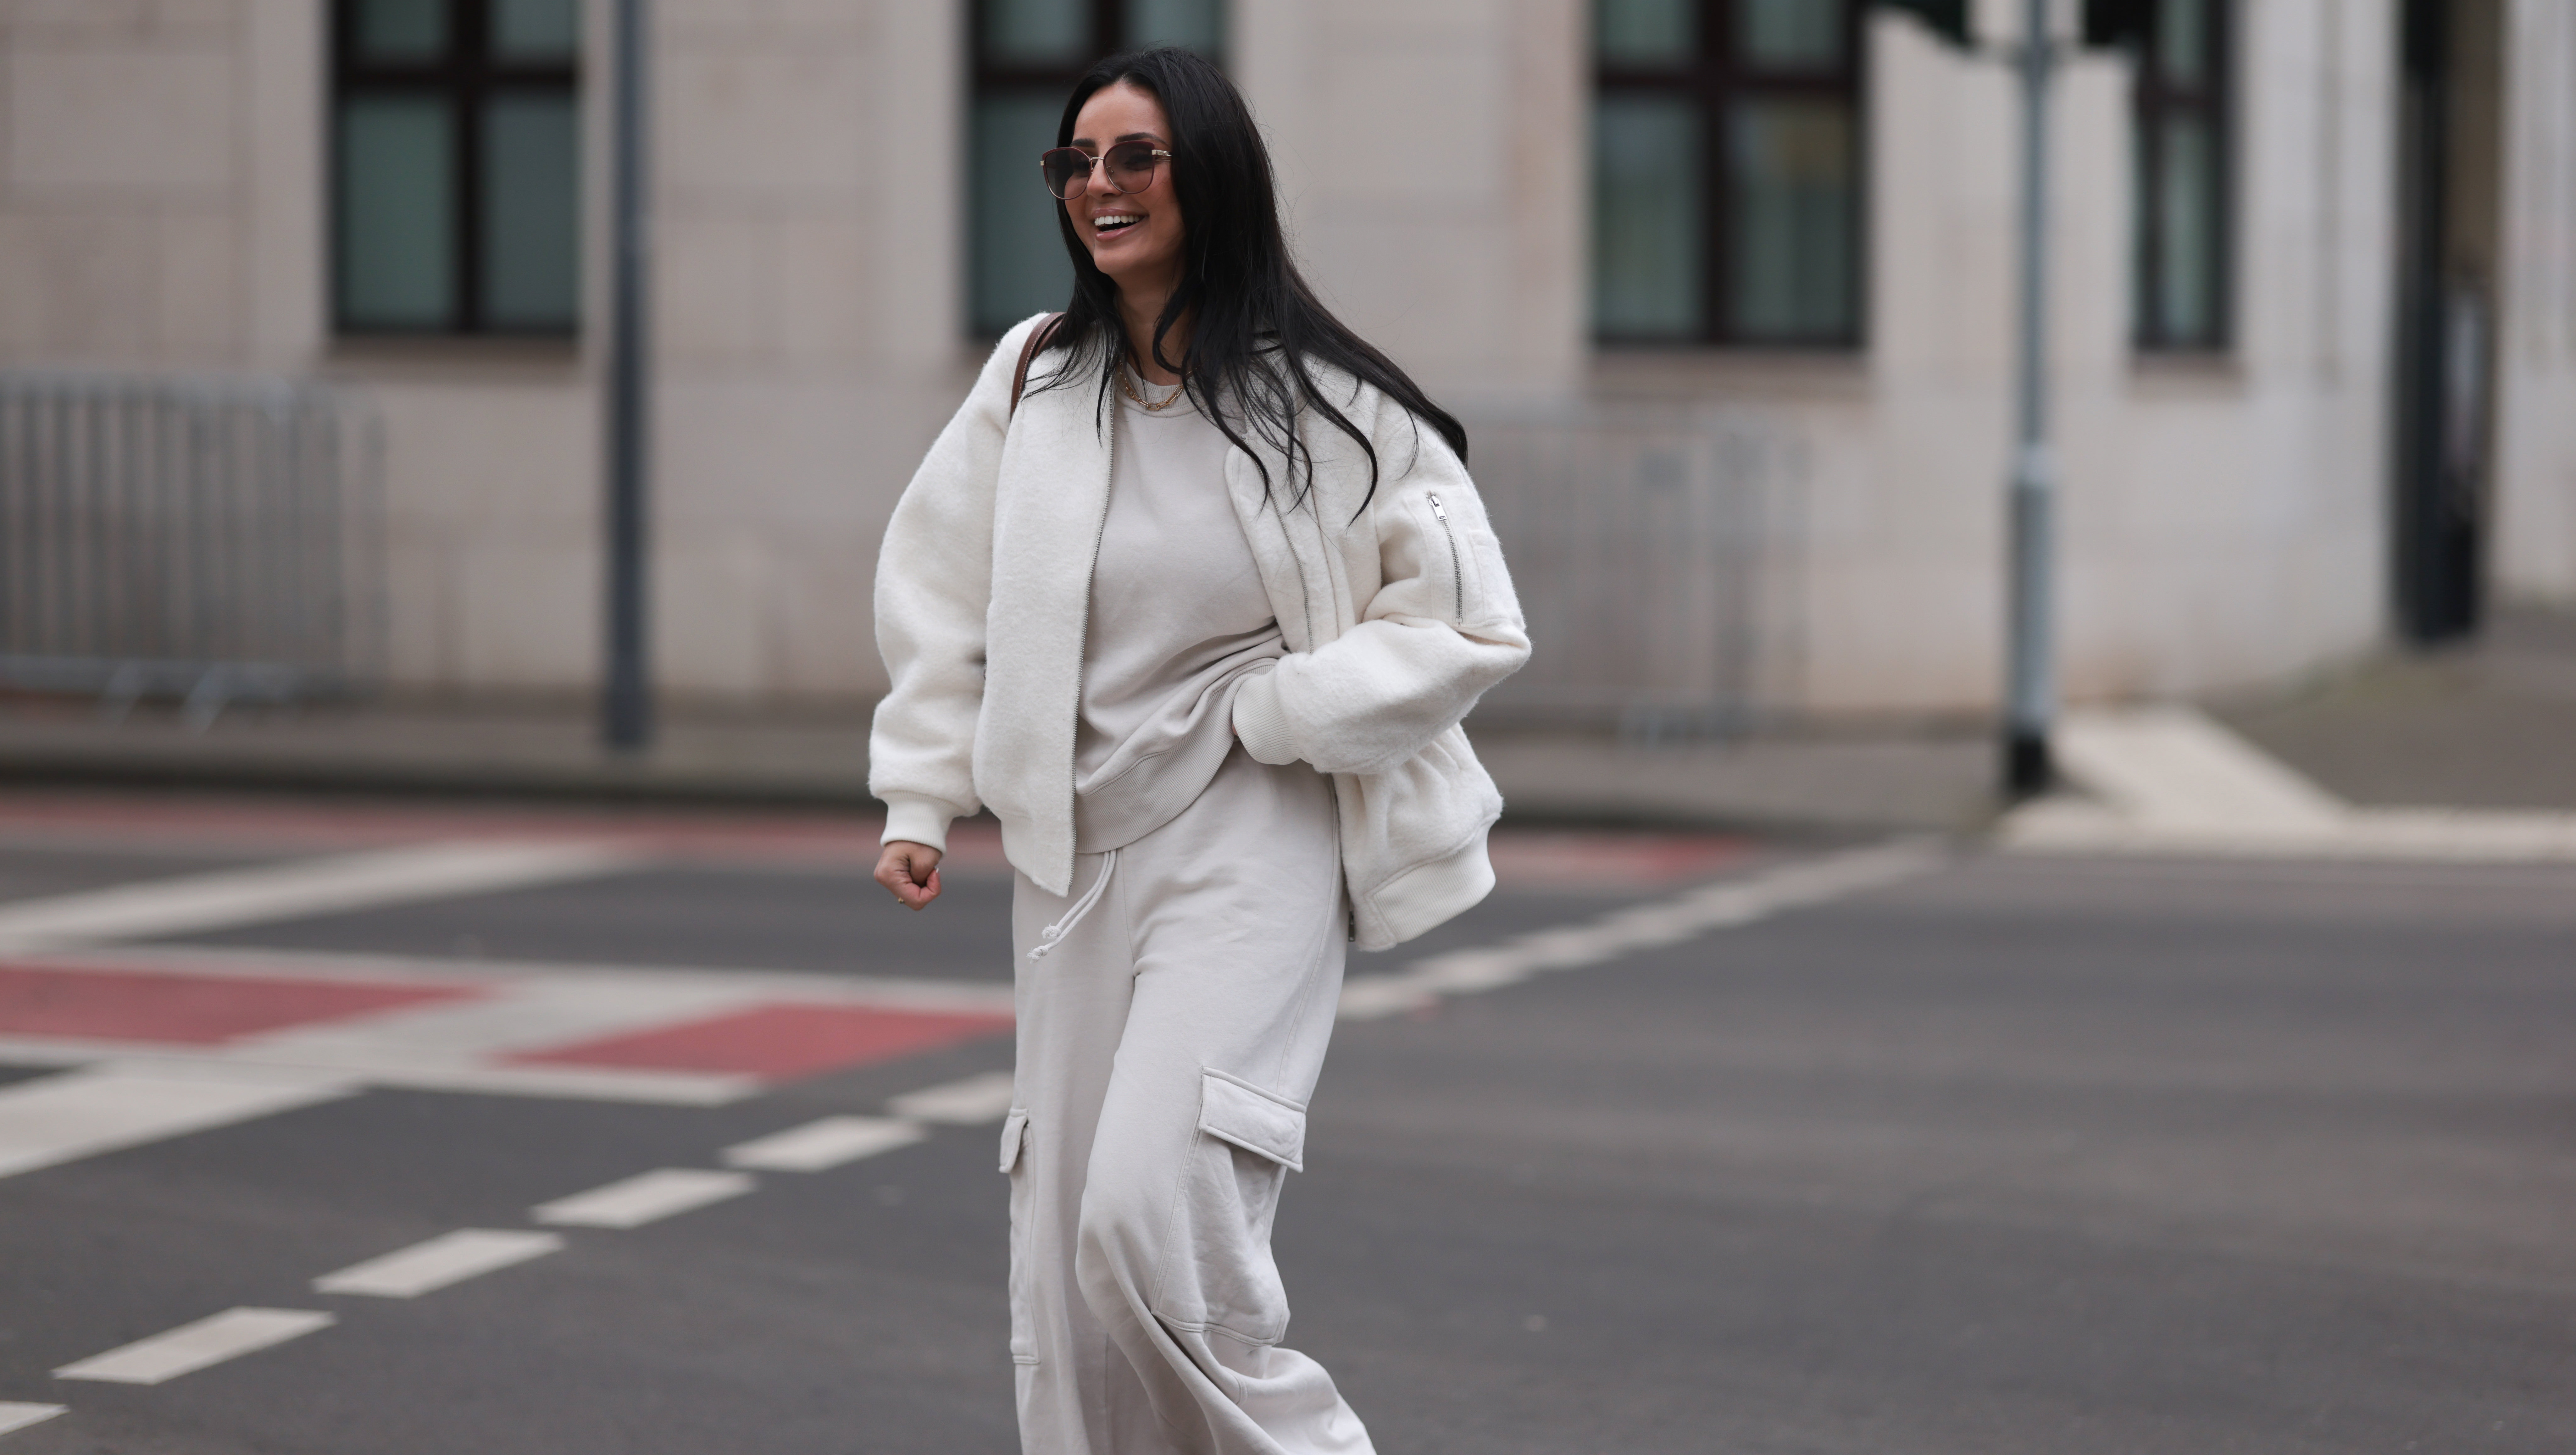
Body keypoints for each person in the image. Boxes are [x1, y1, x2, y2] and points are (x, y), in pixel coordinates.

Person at [869, 44, 1528, 1455]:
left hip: (1255, 834)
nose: (1097, 188)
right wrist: (920, 787)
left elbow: (1469, 622)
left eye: (1133, 158)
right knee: (1060, 1255)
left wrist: (1285, 711)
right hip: (1072, 853)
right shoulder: (1035, 380)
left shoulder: (1324, 403)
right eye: (1075, 163)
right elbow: (936, 582)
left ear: (1208, 174)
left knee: (1146, 1209)